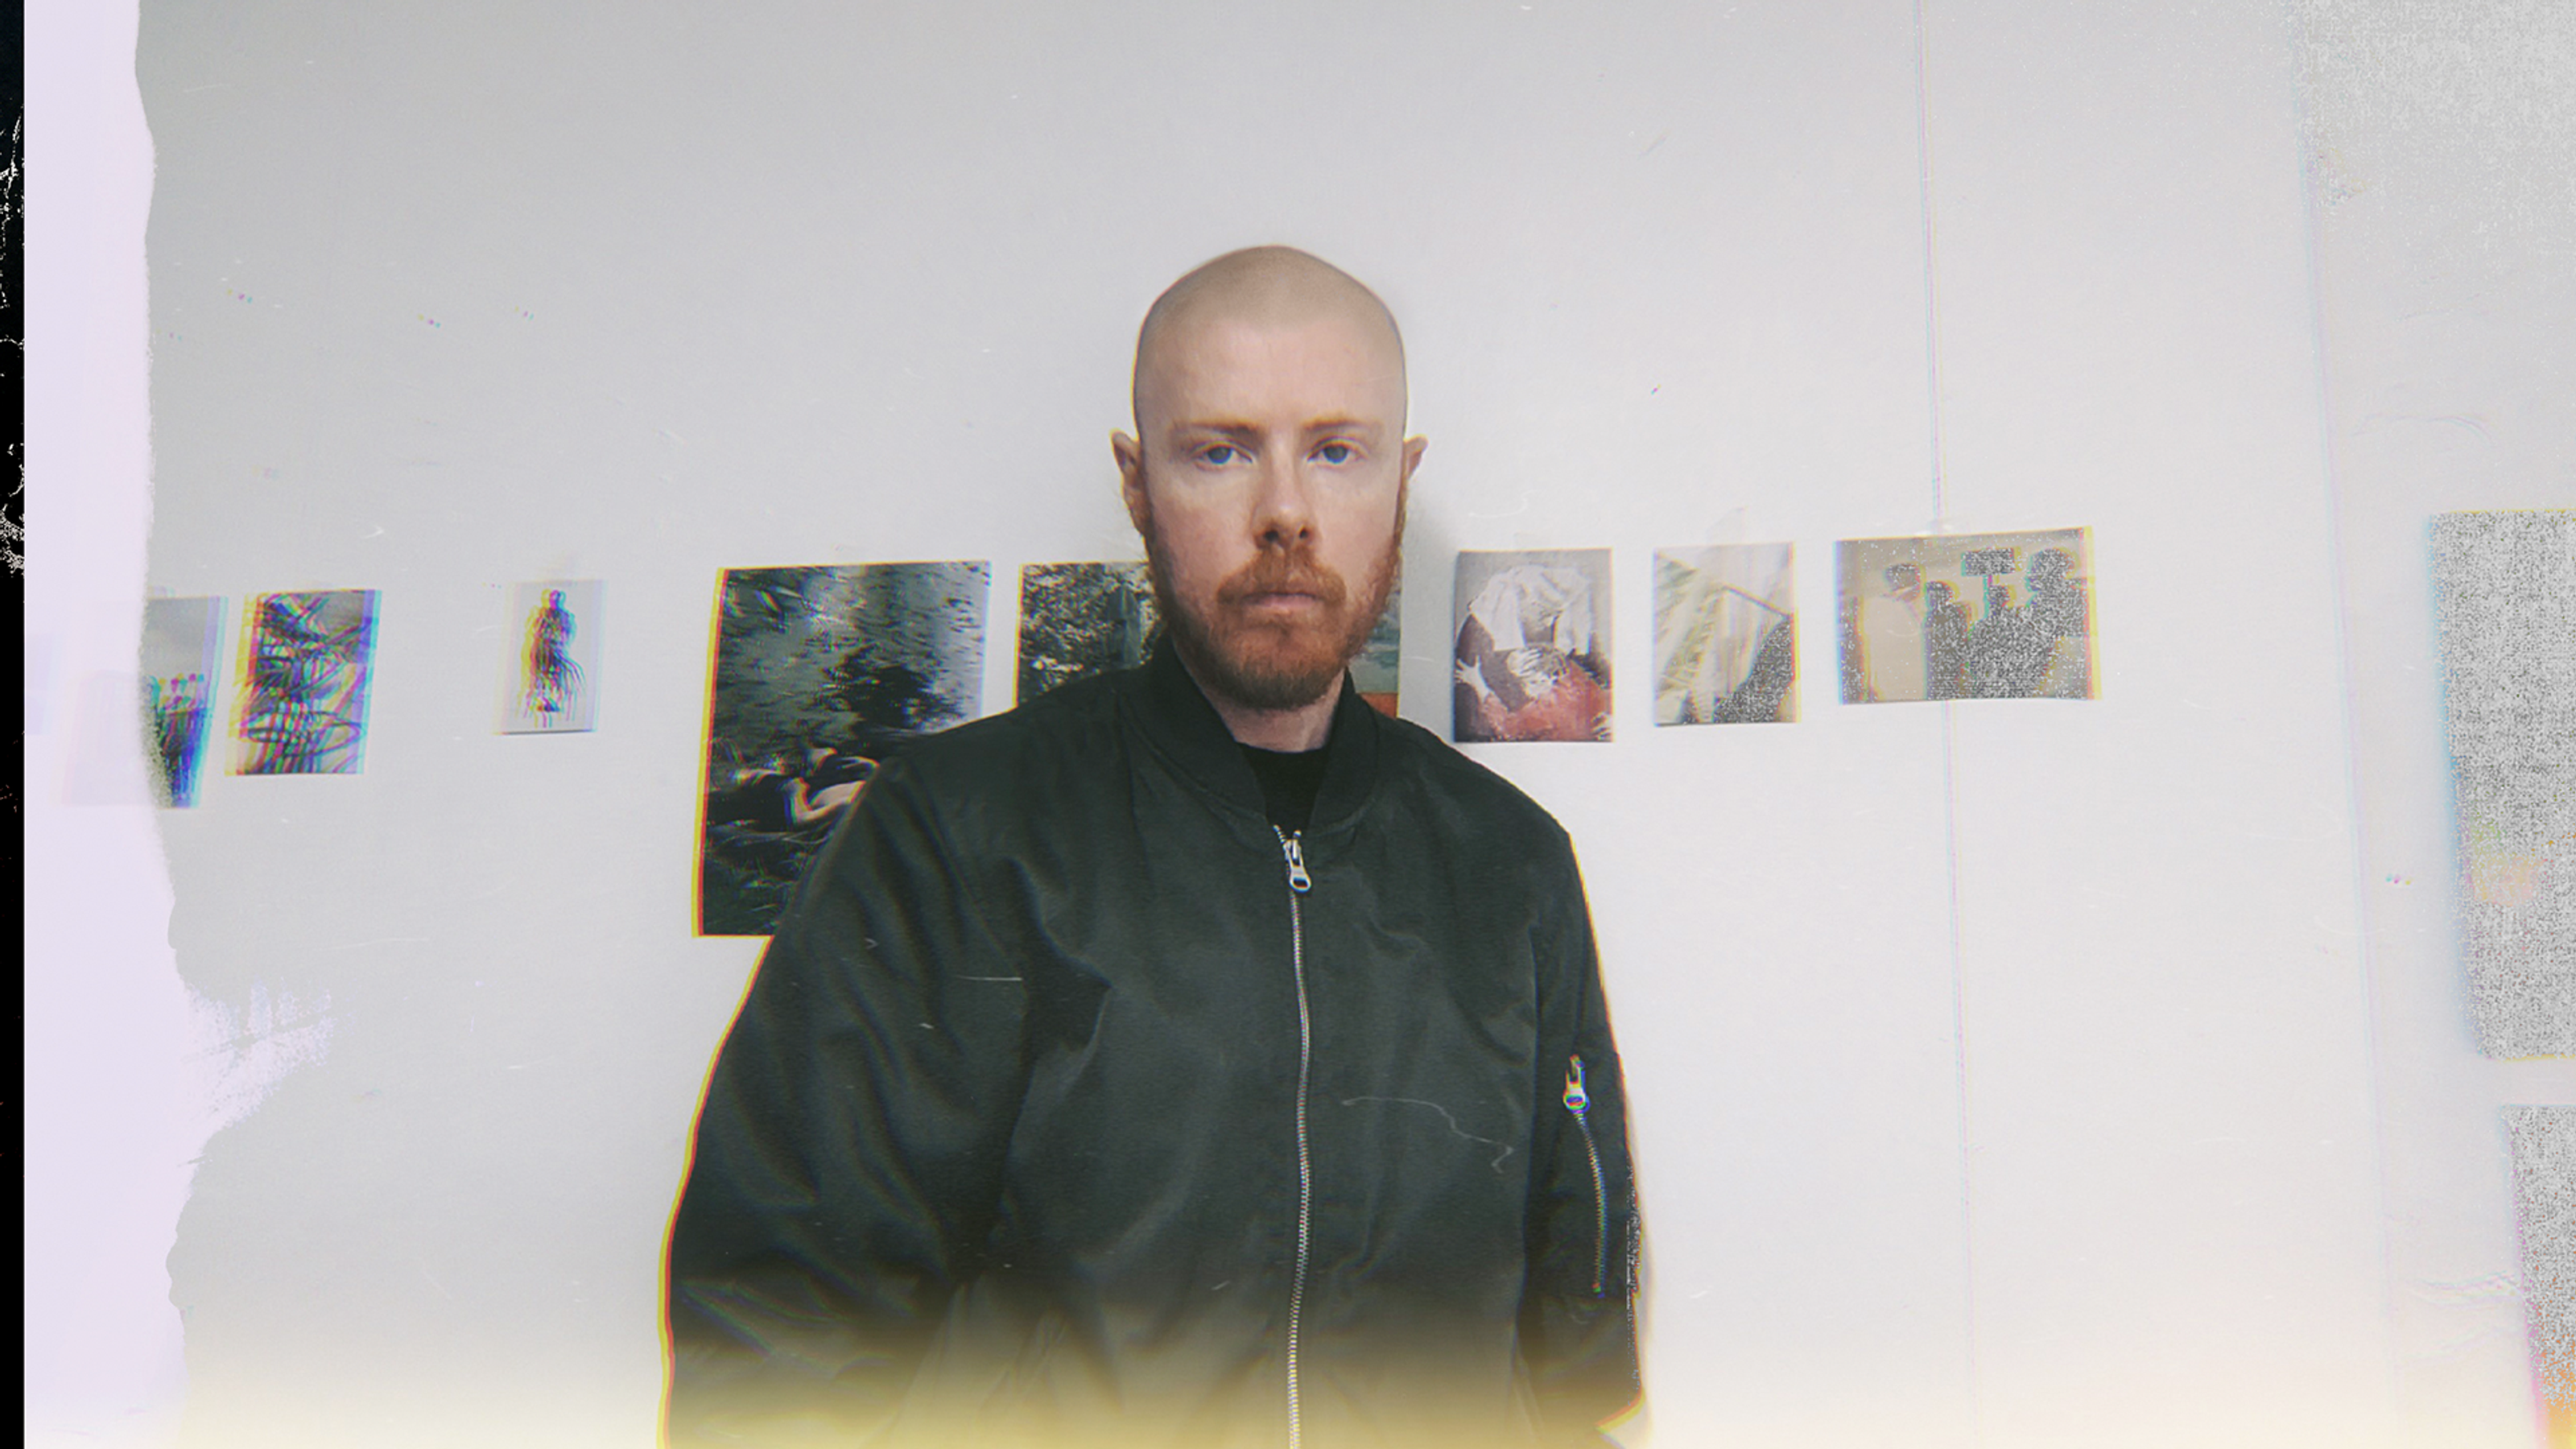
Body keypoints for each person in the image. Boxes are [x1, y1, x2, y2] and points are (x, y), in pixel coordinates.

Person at [664, 247, 1642, 1449]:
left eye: (1337, 450)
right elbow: (777, 1348)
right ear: (1136, 481)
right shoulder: (954, 833)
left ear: (1402, 476)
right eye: (1219, 450)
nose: (1284, 510)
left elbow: (1576, 1366)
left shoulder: (1511, 866)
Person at [1854, 563, 1928, 702]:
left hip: (1911, 679)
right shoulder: (1883, 606)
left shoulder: (1904, 606)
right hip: (1894, 682)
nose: (1919, 586)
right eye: (1917, 581)